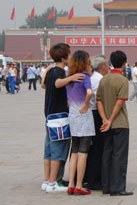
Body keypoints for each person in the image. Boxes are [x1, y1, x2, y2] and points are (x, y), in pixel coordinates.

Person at [42, 43, 85, 193]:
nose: (70, 57)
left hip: (50, 116)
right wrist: (72, 77)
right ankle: (53, 182)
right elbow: (57, 83)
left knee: (48, 150)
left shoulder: (50, 70)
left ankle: (47, 180)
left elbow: (43, 85)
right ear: (63, 56)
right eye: (69, 54)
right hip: (59, 117)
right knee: (58, 150)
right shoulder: (59, 71)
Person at [97, 50, 133, 196]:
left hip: (106, 124)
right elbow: (119, 103)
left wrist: (105, 119)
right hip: (119, 123)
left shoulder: (103, 79)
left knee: (107, 154)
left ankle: (106, 186)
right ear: (124, 63)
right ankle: (117, 187)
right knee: (119, 156)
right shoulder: (123, 80)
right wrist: (111, 119)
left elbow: (99, 101)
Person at [66, 50, 95, 195]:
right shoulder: (85, 76)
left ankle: (70, 184)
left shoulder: (70, 78)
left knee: (74, 150)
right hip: (83, 114)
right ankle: (78, 185)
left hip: (72, 113)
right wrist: (86, 104)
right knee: (83, 151)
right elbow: (89, 92)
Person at [85, 55, 109, 191]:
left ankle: (88, 177)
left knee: (92, 147)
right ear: (102, 66)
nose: (108, 67)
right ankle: (95, 180)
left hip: (90, 114)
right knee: (98, 149)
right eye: (106, 65)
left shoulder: (92, 78)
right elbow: (101, 100)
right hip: (96, 114)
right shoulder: (100, 79)